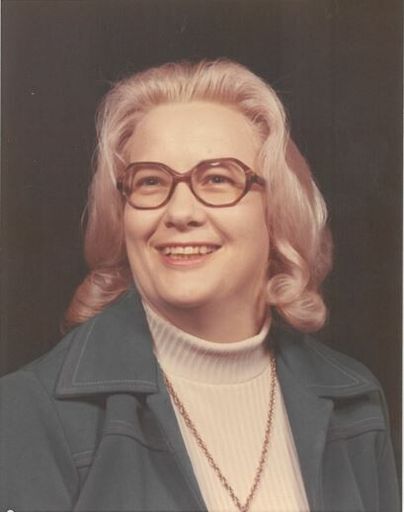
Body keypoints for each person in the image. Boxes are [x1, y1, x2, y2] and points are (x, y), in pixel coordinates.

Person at [0, 59, 399, 512]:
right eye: (150, 182)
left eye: (217, 179)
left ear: (276, 211)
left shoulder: (355, 401)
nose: (180, 213)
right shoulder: (29, 412)